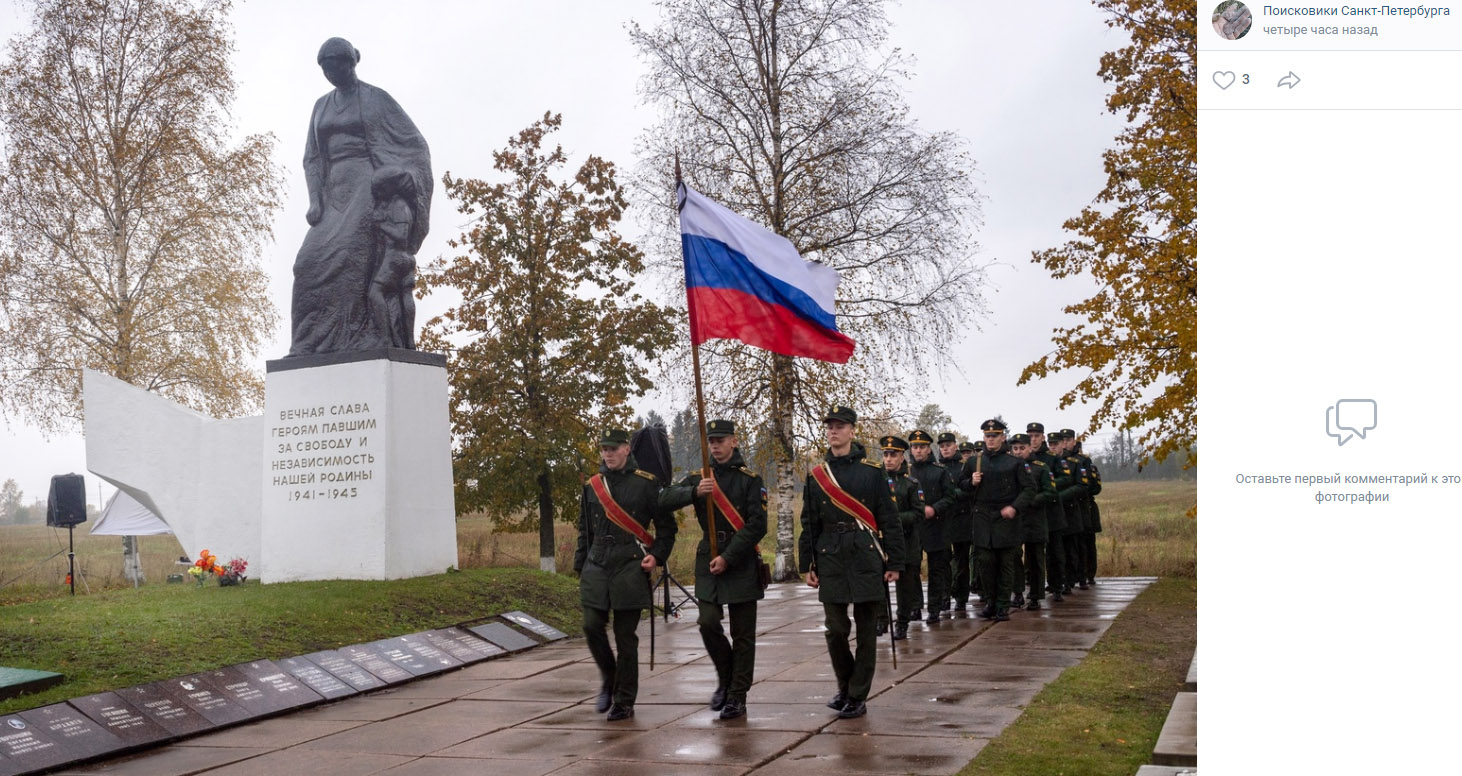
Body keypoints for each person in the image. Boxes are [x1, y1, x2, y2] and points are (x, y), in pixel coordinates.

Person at [290, 37, 432, 356]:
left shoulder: (376, 99)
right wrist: (315, 199)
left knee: (351, 256)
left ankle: (363, 336)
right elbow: (312, 157)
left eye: (335, 66)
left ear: (351, 62)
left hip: (369, 186)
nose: (331, 74)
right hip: (332, 192)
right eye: (325, 69)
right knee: (307, 262)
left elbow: (414, 144)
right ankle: (309, 342)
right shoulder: (321, 105)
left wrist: (401, 176)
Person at [799, 406, 905, 719]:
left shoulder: (873, 472)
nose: (834, 431)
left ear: (852, 431)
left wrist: (895, 561)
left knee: (867, 629)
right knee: (835, 629)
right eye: (830, 426)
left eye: (840, 426)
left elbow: (889, 519)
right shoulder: (816, 476)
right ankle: (845, 687)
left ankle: (857, 695)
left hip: (864, 554)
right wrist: (808, 564)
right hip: (830, 556)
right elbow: (809, 523)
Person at [659, 420, 767, 720]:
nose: (716, 445)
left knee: (743, 634)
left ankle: (737, 695)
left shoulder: (749, 480)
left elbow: (758, 525)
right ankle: (726, 676)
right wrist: (694, 492)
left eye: (721, 440)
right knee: (707, 622)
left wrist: (729, 558)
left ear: (734, 441)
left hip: (740, 557)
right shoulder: (698, 478)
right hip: (709, 557)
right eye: (712, 441)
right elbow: (663, 498)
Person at [574, 428, 677, 721]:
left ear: (626, 449)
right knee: (591, 625)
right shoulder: (593, 486)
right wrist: (580, 566)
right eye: (604, 449)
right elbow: (585, 530)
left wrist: (656, 555)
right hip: (597, 563)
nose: (607, 454)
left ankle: (624, 699)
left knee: (625, 636)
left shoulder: (646, 484)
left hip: (630, 564)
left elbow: (667, 529)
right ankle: (610, 676)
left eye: (613, 448)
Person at [961, 419, 1038, 621]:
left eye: (995, 436)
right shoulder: (973, 462)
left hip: (1006, 519)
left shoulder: (1015, 463)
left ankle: (1003, 604)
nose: (991, 439)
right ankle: (991, 602)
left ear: (1003, 437)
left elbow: (1029, 489)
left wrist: (1014, 507)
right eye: (988, 436)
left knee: (1005, 564)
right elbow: (960, 487)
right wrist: (971, 482)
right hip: (983, 518)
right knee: (985, 563)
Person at [908, 430, 957, 624]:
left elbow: (950, 497)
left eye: (921, 447)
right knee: (912, 568)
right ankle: (915, 607)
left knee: (936, 569)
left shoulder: (940, 471)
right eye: (914, 447)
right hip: (914, 527)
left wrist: (934, 509)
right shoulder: (908, 472)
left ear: (929, 449)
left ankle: (935, 608)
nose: (918, 450)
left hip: (936, 526)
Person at [878, 435, 923, 641]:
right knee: (878, 583)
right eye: (885, 454)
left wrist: (894, 519)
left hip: (906, 541)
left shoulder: (910, 483)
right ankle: (881, 619)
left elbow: (918, 513)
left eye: (893, 455)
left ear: (902, 457)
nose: (888, 459)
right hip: (881, 541)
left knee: (904, 587)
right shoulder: (875, 481)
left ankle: (902, 622)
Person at [1008, 433, 1051, 611]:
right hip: (1015, 520)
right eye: (1015, 448)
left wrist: (1029, 500)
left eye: (1022, 448)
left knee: (1035, 560)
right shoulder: (1008, 468)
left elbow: (1050, 492)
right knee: (1014, 558)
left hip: (1035, 519)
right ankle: (1018, 592)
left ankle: (1035, 595)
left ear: (1030, 448)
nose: (1018, 452)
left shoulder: (1041, 468)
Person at [1028, 424, 1069, 602]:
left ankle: (1057, 585)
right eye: (1030, 435)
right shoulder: (1024, 458)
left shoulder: (1052, 458)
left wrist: (1047, 485)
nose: (1033, 439)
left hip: (1051, 510)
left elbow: (1066, 478)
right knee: (1033, 553)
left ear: (1042, 437)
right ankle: (1033, 587)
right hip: (1032, 512)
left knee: (1055, 552)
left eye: (1036, 436)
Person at [937, 432, 975, 612]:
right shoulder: (936, 467)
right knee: (943, 561)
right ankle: (945, 596)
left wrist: (951, 496)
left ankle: (961, 596)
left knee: (961, 561)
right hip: (942, 519)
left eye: (948, 445)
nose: (945, 448)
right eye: (942, 446)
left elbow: (970, 490)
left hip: (961, 518)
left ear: (955, 446)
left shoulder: (964, 466)